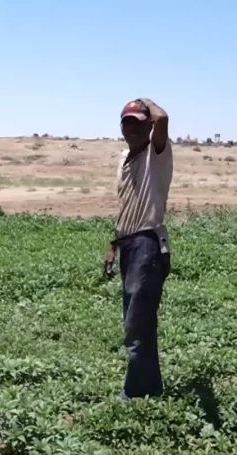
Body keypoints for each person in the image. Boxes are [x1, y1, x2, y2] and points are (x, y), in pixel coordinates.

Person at [103, 98, 173, 399]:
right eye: (127, 123)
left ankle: (136, 393)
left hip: (148, 244)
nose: (132, 129)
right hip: (130, 245)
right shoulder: (124, 159)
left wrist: (145, 101)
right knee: (136, 320)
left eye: (139, 123)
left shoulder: (156, 153)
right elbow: (126, 205)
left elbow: (164, 118)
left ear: (148, 126)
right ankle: (150, 388)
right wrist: (113, 243)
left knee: (137, 323)